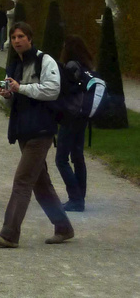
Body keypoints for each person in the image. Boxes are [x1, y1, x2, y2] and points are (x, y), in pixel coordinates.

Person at [0, 22, 73, 248]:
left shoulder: (46, 61)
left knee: (22, 180)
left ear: (30, 38)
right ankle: (63, 227)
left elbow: (52, 90)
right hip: (23, 130)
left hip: (41, 130)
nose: (16, 40)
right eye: (13, 37)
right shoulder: (15, 64)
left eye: (21, 36)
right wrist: (8, 94)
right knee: (40, 183)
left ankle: (9, 234)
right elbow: (17, 94)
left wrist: (20, 88)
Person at [55, 35, 94, 212]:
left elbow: (65, 90)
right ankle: (80, 197)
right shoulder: (87, 66)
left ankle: (75, 198)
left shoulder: (71, 66)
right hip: (82, 115)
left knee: (61, 159)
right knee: (78, 156)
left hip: (70, 115)